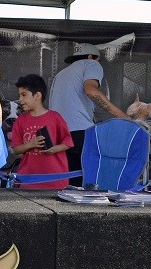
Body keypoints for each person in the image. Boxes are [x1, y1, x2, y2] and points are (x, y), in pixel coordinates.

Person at [49, 42, 130, 185]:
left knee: (70, 182)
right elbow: (91, 91)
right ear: (91, 56)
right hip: (80, 133)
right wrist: (124, 117)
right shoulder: (91, 64)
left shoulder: (60, 74)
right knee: (89, 181)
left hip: (58, 134)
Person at [10, 74, 73, 190]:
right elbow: (16, 149)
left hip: (55, 180)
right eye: (19, 95)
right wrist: (31, 144)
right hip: (28, 180)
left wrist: (54, 149)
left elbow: (68, 142)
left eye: (24, 95)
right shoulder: (20, 121)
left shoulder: (55, 117)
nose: (20, 99)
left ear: (37, 95)